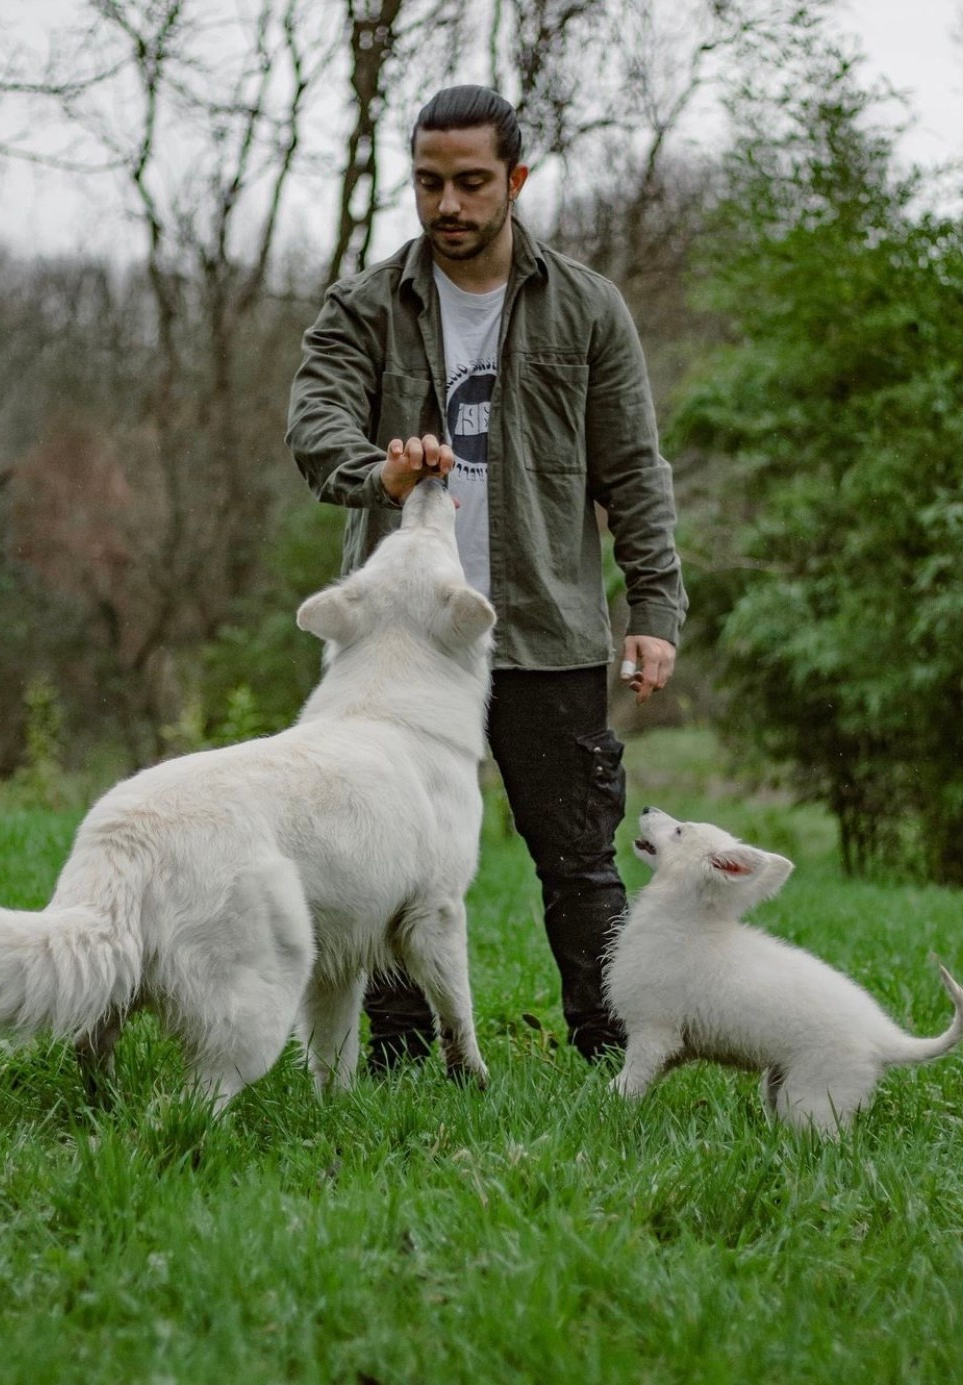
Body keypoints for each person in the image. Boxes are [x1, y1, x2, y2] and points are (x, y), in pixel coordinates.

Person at [286, 85, 686, 1067]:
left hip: (546, 626)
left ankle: (609, 1052)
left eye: (471, 183)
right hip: (399, 642)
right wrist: (373, 468)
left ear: (516, 180)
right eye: (428, 183)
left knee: (580, 860)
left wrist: (654, 608)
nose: (448, 206)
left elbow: (633, 469)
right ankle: (399, 1053)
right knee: (375, 848)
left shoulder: (588, 307)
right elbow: (314, 423)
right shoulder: (367, 306)